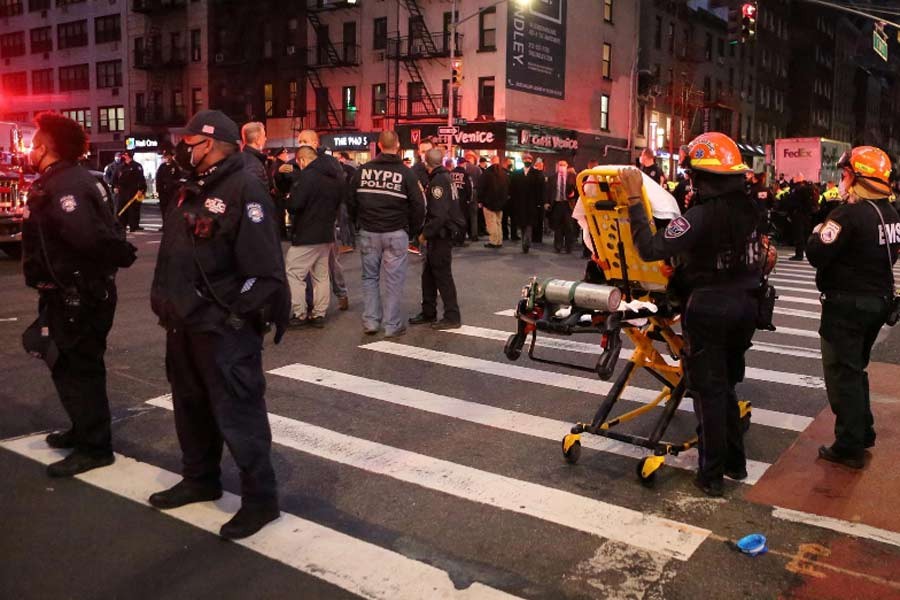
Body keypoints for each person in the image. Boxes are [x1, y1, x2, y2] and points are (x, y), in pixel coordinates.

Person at [148, 110, 290, 540]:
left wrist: (231, 313)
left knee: (239, 415)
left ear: (208, 144)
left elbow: (264, 270)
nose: (183, 151)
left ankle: (260, 500)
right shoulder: (191, 187)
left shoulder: (245, 187)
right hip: (185, 325)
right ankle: (200, 478)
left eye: (189, 143)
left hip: (222, 330)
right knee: (191, 408)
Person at [620, 132, 762, 497]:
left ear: (702, 176)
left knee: (708, 392)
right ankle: (736, 463)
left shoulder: (699, 216)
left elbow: (650, 247)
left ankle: (711, 476)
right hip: (746, 306)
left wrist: (636, 199)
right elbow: (727, 258)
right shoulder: (753, 211)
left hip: (711, 310)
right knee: (727, 385)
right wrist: (684, 271)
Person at [21, 112, 136, 477]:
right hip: (72, 292)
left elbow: (86, 238)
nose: (27, 149)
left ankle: (95, 446)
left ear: (43, 148)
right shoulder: (70, 179)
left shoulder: (66, 185)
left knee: (80, 366)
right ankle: (82, 429)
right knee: (67, 363)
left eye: (32, 144)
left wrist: (80, 281)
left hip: (80, 294)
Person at [807, 147, 900, 470]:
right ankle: (864, 430)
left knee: (841, 375)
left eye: (845, 173)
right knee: (856, 369)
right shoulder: (890, 213)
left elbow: (818, 253)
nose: (842, 179)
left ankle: (849, 445)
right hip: (877, 304)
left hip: (845, 307)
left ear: (857, 176)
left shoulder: (847, 214)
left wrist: (817, 232)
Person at [348, 131, 425, 336]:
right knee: (394, 280)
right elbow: (419, 205)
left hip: (369, 231)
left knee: (369, 277)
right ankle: (392, 325)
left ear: (379, 145)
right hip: (395, 231)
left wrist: (358, 222)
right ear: (397, 145)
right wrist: (413, 230)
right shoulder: (406, 173)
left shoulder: (362, 171)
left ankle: (371, 321)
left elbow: (350, 200)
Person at [285, 146, 344, 328]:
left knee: (294, 272)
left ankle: (299, 312)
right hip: (326, 231)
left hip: (306, 232)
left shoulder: (307, 176)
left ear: (302, 160)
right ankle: (319, 313)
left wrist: (287, 199)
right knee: (321, 274)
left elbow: (295, 204)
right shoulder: (333, 175)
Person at [409, 148, 463, 330]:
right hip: (441, 234)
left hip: (440, 236)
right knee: (429, 275)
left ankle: (452, 316)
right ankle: (428, 311)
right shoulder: (446, 178)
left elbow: (438, 215)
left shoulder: (438, 181)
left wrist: (424, 234)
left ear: (426, 163)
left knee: (442, 276)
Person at [297, 129, 350, 311]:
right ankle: (310, 302)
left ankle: (341, 293)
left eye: (305, 140)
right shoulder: (298, 162)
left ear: (314, 142)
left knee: (330, 262)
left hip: (325, 219)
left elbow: (340, 187)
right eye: (300, 140)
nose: (301, 143)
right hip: (304, 222)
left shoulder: (328, 162)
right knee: (308, 268)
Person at [508, 153, 544, 253]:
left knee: (529, 223)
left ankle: (526, 242)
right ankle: (525, 239)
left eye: (529, 159)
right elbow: (512, 188)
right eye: (525, 159)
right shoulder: (516, 173)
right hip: (520, 203)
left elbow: (540, 189)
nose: (527, 160)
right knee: (522, 223)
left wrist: (540, 202)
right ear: (523, 160)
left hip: (532, 203)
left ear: (531, 161)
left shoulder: (537, 173)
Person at [545, 160, 577, 253]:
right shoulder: (552, 178)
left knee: (569, 227)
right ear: (557, 166)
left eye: (563, 165)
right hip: (557, 204)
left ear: (567, 166)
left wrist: (573, 194)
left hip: (568, 205)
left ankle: (568, 247)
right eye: (560, 165)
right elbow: (548, 191)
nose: (562, 167)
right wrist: (546, 202)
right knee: (558, 227)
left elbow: (577, 191)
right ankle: (558, 246)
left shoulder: (572, 177)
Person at [477, 155, 509, 249]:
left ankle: (493, 241)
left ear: (491, 161)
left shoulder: (487, 173)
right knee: (498, 222)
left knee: (491, 222)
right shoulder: (504, 173)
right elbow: (508, 187)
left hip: (489, 202)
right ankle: (499, 240)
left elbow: (481, 187)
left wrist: (480, 200)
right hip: (501, 203)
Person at [112, 150, 147, 232]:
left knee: (133, 209)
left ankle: (133, 226)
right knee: (121, 209)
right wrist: (115, 187)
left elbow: (141, 179)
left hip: (133, 191)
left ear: (129, 156)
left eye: (125, 155)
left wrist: (141, 189)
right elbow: (114, 179)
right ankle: (122, 226)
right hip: (122, 192)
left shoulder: (137, 166)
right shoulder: (120, 167)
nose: (124, 157)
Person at [784, 178, 815, 261]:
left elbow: (791, 203)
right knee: (806, 234)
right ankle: (809, 252)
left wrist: (789, 213)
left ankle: (799, 254)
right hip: (807, 215)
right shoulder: (809, 189)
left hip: (798, 215)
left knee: (799, 235)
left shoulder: (796, 190)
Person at [447, 157, 471, 247]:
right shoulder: (465, 174)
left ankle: (453, 238)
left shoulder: (450, 173)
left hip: (452, 200)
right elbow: (469, 188)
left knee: (453, 219)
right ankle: (460, 240)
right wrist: (469, 199)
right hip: (462, 200)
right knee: (462, 220)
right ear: (464, 163)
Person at [268, 147, 291, 240]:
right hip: (279, 195)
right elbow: (277, 180)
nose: (287, 155)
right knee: (280, 216)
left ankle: (281, 234)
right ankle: (282, 235)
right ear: (280, 155)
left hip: (277, 195)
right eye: (285, 154)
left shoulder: (275, 165)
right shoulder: (280, 166)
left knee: (280, 215)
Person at [155, 149, 182, 227]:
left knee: (172, 209)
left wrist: (175, 186)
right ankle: (165, 224)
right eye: (165, 156)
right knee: (164, 209)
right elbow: (158, 178)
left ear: (171, 156)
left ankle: (172, 225)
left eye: (167, 156)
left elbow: (179, 178)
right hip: (163, 192)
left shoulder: (176, 166)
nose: (166, 157)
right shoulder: (162, 167)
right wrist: (158, 189)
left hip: (172, 192)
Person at [240, 122, 271, 189]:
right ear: (257, 140)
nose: (266, 139)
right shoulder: (254, 165)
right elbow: (257, 195)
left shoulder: (242, 158)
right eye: (264, 136)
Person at [462, 150, 483, 242]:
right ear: (473, 159)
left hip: (463, 193)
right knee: (474, 215)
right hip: (474, 192)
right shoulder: (477, 169)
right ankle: (474, 235)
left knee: (463, 214)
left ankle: (464, 233)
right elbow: (481, 182)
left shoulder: (462, 168)